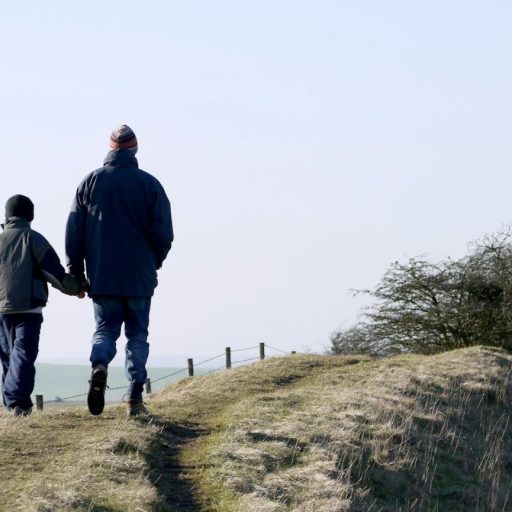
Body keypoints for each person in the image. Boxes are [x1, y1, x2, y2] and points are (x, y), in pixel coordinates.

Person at [65, 125, 173, 417]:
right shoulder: (150, 185)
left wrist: (76, 273)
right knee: (137, 335)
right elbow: (164, 233)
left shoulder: (90, 182)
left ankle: (99, 365)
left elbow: (74, 232)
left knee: (105, 330)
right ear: (134, 150)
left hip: (103, 276)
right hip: (139, 277)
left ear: (110, 149)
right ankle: (135, 397)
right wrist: (154, 261)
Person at [0, 194, 82, 416]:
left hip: (1, 312)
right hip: (29, 309)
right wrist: (77, 289)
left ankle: (13, 406)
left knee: (9, 358)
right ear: (30, 215)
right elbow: (54, 274)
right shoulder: (34, 239)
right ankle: (18, 404)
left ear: (7, 216)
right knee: (23, 356)